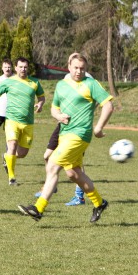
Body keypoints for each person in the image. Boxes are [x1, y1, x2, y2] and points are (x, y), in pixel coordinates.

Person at [18, 53, 114, 223]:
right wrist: (59, 116)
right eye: (76, 68)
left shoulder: (90, 84)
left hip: (80, 134)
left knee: (53, 163)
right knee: (73, 173)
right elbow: (54, 108)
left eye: (82, 69)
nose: (79, 71)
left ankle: (38, 208)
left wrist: (98, 127)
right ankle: (99, 203)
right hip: (64, 134)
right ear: (69, 67)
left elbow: (108, 105)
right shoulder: (61, 85)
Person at [34, 68, 95, 206]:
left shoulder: (88, 79)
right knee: (47, 156)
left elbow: (96, 100)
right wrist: (58, 114)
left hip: (78, 129)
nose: (77, 69)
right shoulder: (66, 78)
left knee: (76, 166)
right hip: (62, 125)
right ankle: (51, 185)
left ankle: (79, 196)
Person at [0, 57, 45, 186]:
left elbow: (41, 96)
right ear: (16, 68)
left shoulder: (34, 82)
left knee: (22, 153)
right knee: (12, 145)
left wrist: (40, 104)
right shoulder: (9, 82)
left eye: (25, 67)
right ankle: (12, 177)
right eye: (20, 67)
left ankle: (6, 157)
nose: (23, 69)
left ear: (28, 68)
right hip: (12, 121)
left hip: (28, 123)